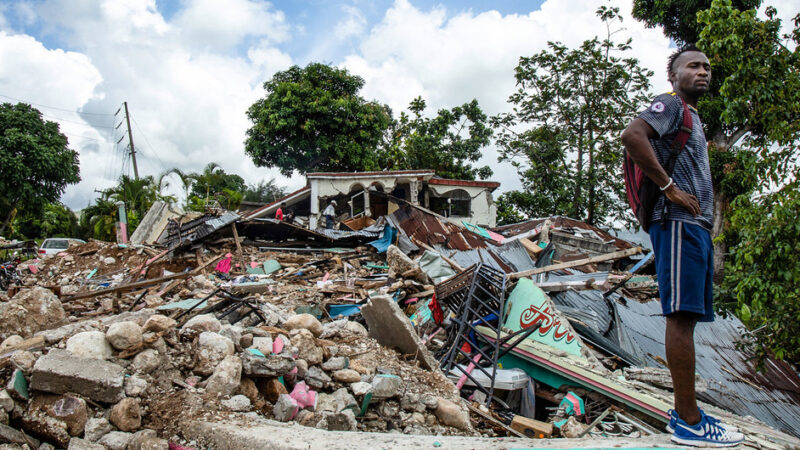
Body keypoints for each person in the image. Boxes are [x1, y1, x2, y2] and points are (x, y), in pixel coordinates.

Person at [621, 46, 744, 447]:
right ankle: (688, 421)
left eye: (707, 66)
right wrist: (669, 188)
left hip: (694, 227)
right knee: (680, 316)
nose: (703, 72)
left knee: (688, 317)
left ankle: (690, 415)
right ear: (673, 75)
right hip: (676, 223)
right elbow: (632, 136)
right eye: (693, 66)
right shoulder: (669, 104)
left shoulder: (691, 115)